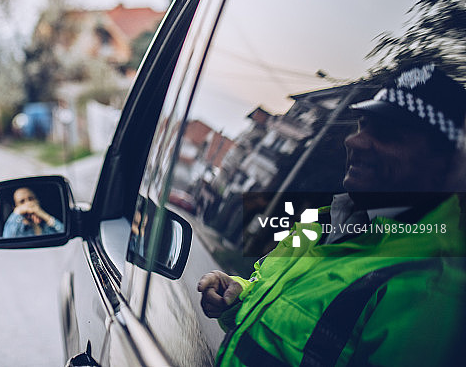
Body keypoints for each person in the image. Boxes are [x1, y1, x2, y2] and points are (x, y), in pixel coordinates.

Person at [197, 64, 466, 366]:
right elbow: (284, 313)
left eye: (388, 133)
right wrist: (239, 294)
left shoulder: (432, 288)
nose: (354, 140)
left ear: (445, 162)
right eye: (362, 125)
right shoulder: (322, 224)